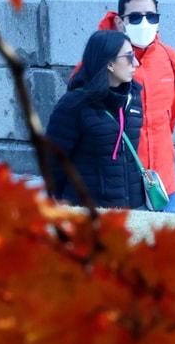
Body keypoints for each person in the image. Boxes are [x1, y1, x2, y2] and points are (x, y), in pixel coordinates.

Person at [94, 0, 175, 211]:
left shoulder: (171, 58)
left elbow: (172, 114)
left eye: (151, 16)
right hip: (121, 187)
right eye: (135, 17)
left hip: (164, 186)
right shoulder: (100, 61)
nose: (144, 23)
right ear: (119, 22)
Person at [45, 30, 147, 209]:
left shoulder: (134, 98)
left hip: (133, 209)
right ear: (109, 63)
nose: (136, 63)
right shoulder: (74, 104)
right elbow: (53, 160)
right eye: (129, 57)